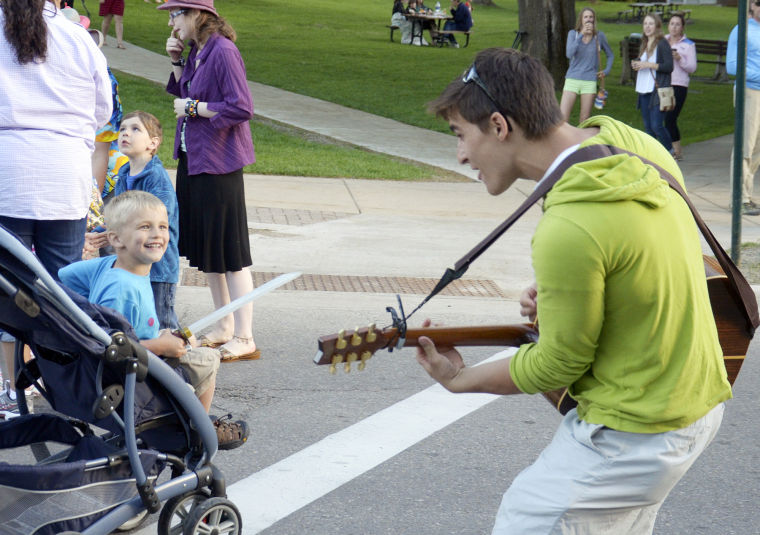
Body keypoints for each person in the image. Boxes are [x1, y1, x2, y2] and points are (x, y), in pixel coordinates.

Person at [419, 47, 730, 533]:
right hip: (697, 408)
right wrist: (573, 286)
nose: (460, 154)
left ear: (500, 126)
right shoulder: (632, 144)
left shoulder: (569, 226)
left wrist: (460, 380)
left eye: (461, 135)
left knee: (523, 521)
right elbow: (641, 243)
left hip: (635, 434)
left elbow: (558, 364)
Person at [59, 191, 250, 450]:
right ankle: (196, 431)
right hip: (130, 378)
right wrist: (161, 346)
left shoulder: (110, 266)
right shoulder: (122, 288)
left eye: (162, 226)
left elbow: (65, 277)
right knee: (207, 359)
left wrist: (161, 336)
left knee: (188, 345)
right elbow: (109, 350)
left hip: (132, 360)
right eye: (144, 227)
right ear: (115, 238)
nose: (157, 235)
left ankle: (194, 423)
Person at [0, 0, 112, 417]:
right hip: (63, 174)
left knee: (8, 290)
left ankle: (9, 390)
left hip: (9, 172)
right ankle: (68, 387)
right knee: (63, 292)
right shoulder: (75, 36)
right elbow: (102, 107)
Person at [160, 0, 259, 362]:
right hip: (195, 160)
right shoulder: (199, 50)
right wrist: (176, 62)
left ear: (196, 14)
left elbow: (241, 106)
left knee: (231, 253)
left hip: (220, 163)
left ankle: (245, 336)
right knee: (209, 252)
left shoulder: (223, 51)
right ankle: (224, 327)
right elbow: (182, 93)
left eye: (175, 14)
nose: (172, 23)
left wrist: (195, 109)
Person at [88, 111, 181, 330]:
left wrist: (110, 235)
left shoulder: (156, 177)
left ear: (153, 143)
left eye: (135, 129)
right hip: (133, 263)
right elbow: (117, 213)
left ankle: (175, 362)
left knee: (163, 324)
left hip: (158, 267)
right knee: (139, 322)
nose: (125, 134)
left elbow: (155, 220)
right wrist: (97, 232)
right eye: (122, 130)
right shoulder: (124, 172)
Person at [728, 0, 760, 215]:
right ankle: (739, 198)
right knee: (745, 145)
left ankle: (747, 195)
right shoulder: (742, 29)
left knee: (757, 148)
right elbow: (732, 66)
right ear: (753, 6)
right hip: (749, 91)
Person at [559, 7, 613, 124]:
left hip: (589, 81)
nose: (588, 19)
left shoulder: (599, 36)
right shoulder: (573, 34)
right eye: (586, 17)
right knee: (563, 118)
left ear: (594, 20)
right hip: (572, 79)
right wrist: (581, 35)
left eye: (591, 17)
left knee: (584, 119)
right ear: (581, 20)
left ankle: (582, 142)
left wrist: (606, 70)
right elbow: (569, 54)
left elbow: (610, 55)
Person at [632, 14, 674, 153]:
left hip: (657, 90)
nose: (647, 27)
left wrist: (648, 64)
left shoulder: (662, 43)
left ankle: (670, 151)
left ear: (657, 26)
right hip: (643, 89)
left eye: (651, 24)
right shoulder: (644, 43)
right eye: (645, 24)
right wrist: (637, 64)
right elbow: (643, 62)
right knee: (648, 127)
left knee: (657, 126)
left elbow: (669, 66)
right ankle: (653, 155)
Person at [665, 13, 697, 161]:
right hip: (663, 83)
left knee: (671, 118)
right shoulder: (663, 41)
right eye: (672, 24)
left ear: (682, 27)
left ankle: (677, 151)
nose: (674, 27)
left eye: (677, 24)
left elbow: (692, 67)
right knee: (662, 119)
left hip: (679, 84)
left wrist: (680, 59)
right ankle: (667, 149)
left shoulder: (688, 44)